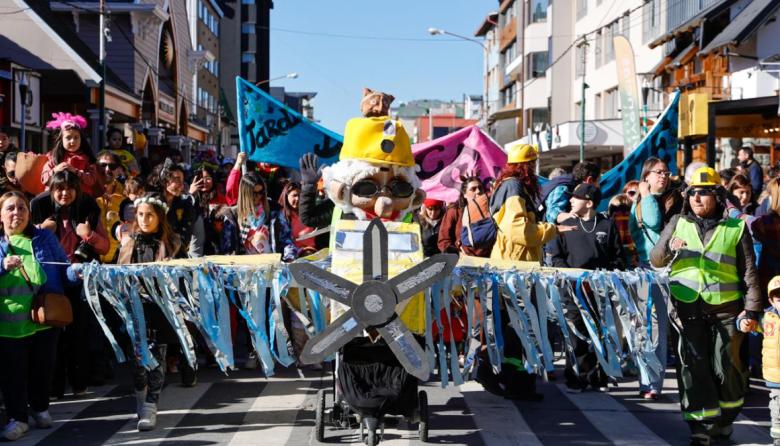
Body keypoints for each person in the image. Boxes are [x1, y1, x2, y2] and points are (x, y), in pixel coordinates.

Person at [651, 167, 761, 445]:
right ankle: (702, 427)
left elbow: (749, 272)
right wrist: (670, 248)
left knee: (728, 369)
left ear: (717, 195)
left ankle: (725, 421)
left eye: (703, 193)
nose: (696, 198)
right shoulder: (677, 222)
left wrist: (752, 310)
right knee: (693, 368)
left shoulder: (735, 228)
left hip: (726, 311)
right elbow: (656, 259)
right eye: (692, 193)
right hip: (687, 312)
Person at [487, 144, 573, 401]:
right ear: (528, 166)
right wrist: (551, 229)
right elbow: (520, 232)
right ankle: (517, 384)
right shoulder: (514, 188)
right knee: (519, 331)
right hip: (516, 270)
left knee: (518, 330)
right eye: (533, 165)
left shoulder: (509, 186)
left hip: (514, 269)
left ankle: (518, 382)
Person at [0, 191, 79, 441]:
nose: (17, 213)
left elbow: (63, 271)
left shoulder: (44, 237)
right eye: (10, 208)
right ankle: (17, 418)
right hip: (9, 323)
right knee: (14, 372)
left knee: (42, 367)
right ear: (1, 215)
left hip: (46, 317)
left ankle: (40, 407)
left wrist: (77, 272)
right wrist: (1, 267)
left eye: (22, 208)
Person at [30, 171, 109, 399]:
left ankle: (79, 382)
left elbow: (104, 247)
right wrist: (42, 232)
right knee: (51, 332)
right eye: (59, 189)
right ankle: (54, 386)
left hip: (79, 279)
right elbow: (25, 245)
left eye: (69, 189)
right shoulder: (40, 211)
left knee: (78, 332)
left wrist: (88, 235)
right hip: (50, 280)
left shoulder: (88, 211)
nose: (64, 194)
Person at [117, 193, 183, 431]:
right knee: (137, 361)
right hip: (135, 309)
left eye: (150, 215)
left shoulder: (173, 243)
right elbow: (118, 273)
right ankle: (140, 396)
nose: (144, 219)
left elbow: (182, 276)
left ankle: (151, 405)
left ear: (160, 217)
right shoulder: (129, 242)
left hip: (161, 309)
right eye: (141, 215)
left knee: (157, 358)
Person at [549, 183, 624, 393]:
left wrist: (607, 276)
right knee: (577, 334)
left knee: (601, 332)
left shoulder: (606, 225)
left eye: (576, 197)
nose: (570, 200)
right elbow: (556, 257)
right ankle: (576, 378)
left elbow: (618, 258)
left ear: (589, 202)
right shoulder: (564, 225)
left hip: (599, 290)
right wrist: (570, 275)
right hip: (572, 289)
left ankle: (599, 377)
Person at [628, 156, 678, 400]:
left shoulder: (671, 200)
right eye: (658, 172)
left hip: (667, 271)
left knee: (658, 328)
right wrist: (646, 195)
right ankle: (649, 381)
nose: (664, 176)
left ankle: (650, 380)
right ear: (646, 176)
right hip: (651, 271)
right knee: (651, 328)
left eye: (666, 172)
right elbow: (654, 222)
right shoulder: (644, 202)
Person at [738, 276, 780, 446]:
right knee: (777, 407)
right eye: (778, 298)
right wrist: (743, 321)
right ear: (771, 300)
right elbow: (751, 323)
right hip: (775, 375)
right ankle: (778, 436)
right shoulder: (767, 317)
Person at [42, 113, 98, 197]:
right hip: (57, 198)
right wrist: (55, 170)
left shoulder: (87, 158)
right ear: (61, 140)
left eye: (76, 137)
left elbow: (92, 180)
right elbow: (44, 179)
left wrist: (76, 172)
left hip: (81, 199)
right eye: (68, 138)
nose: (73, 141)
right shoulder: (53, 157)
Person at [438, 176, 493, 258]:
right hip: (462, 261)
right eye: (473, 189)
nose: (478, 192)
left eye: (480, 188)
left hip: (487, 261)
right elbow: (444, 241)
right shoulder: (454, 211)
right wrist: (457, 254)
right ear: (464, 194)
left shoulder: (491, 210)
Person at [95, 151, 130, 263]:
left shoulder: (127, 194)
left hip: (118, 260)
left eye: (112, 166)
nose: (107, 169)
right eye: (103, 165)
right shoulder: (86, 193)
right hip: (91, 259)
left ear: (119, 169)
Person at [189, 166, 227, 255]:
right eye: (200, 179)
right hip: (195, 248)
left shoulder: (220, 198)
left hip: (216, 247)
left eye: (208, 178)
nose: (204, 182)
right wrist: (190, 194)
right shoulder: (190, 198)